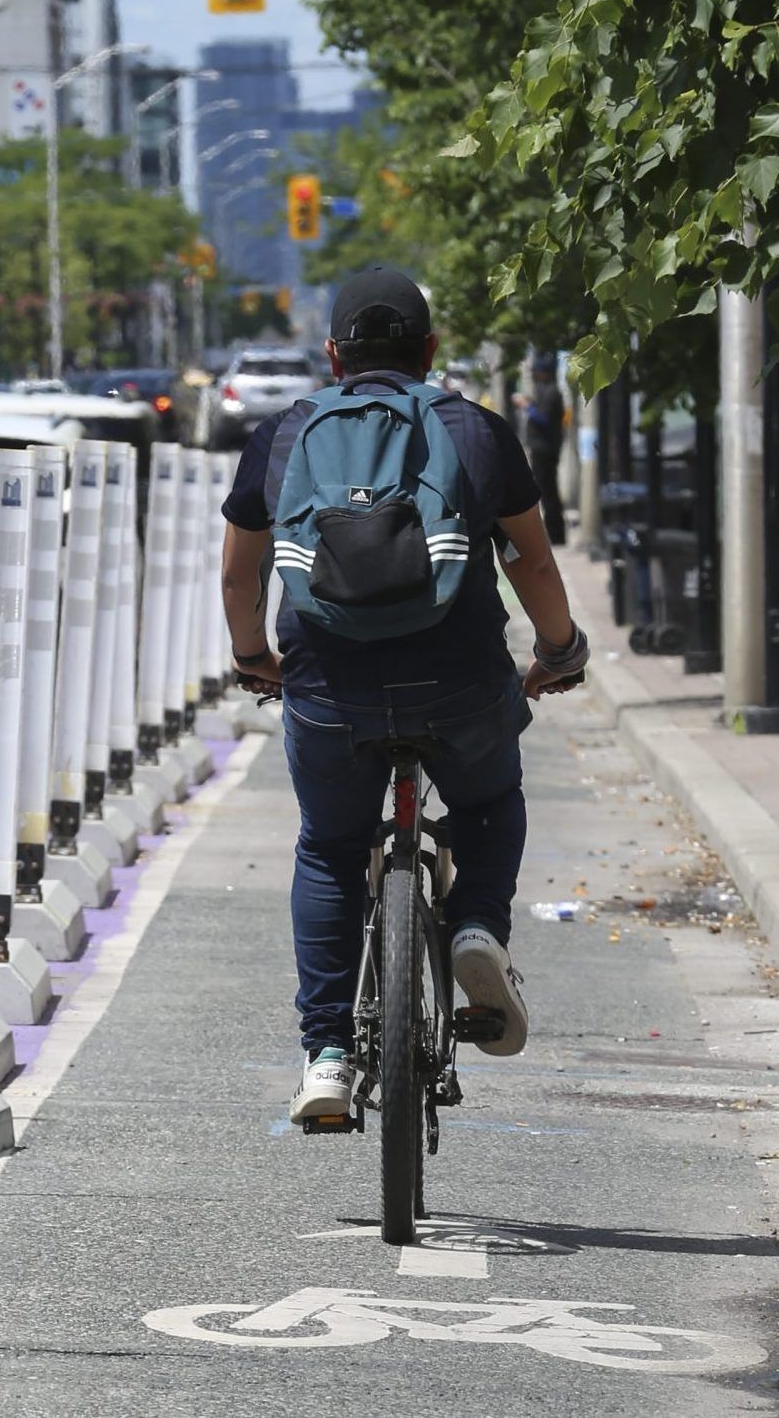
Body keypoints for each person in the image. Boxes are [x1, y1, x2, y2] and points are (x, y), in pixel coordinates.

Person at [218, 268, 590, 1124]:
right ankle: (476, 926)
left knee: (328, 847)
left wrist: (254, 658)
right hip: (460, 681)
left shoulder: (284, 434)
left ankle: (327, 1056)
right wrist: (560, 649)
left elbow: (241, 572)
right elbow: (529, 561)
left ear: (332, 354)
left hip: (327, 689)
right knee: (492, 800)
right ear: (429, 351)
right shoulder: (476, 432)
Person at [518, 355, 568, 546]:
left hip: (546, 450)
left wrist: (527, 407)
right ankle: (554, 533)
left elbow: (543, 418)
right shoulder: (544, 391)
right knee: (546, 492)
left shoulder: (552, 392)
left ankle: (556, 535)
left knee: (548, 492)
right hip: (541, 448)